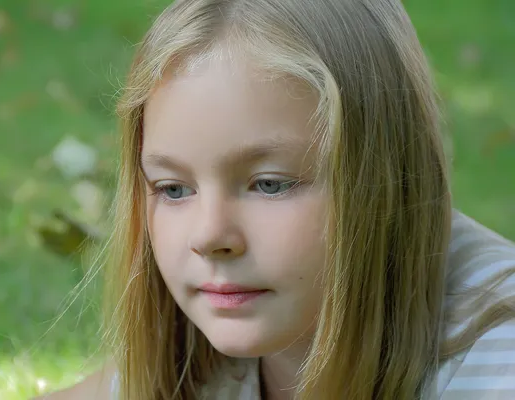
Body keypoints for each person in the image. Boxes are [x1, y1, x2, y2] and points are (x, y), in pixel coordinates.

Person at [36, 0, 515, 399]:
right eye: (174, 189)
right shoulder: (195, 355)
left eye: (269, 184)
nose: (209, 236)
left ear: (384, 178)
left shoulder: (495, 363)